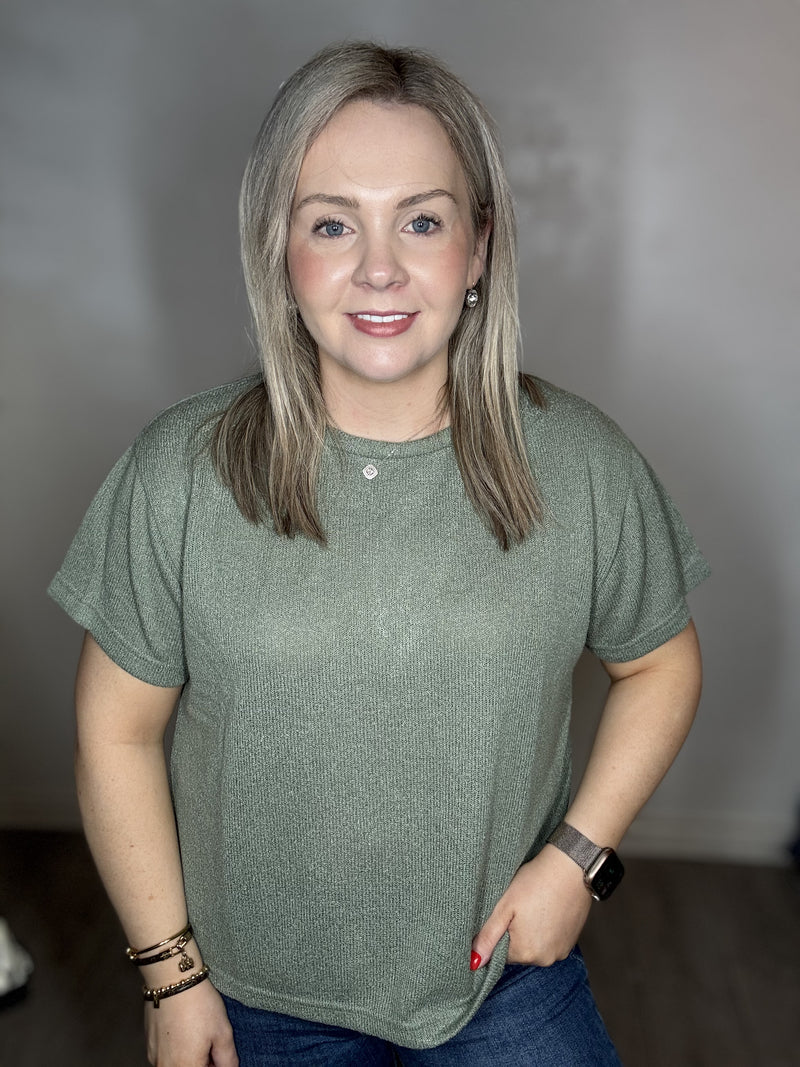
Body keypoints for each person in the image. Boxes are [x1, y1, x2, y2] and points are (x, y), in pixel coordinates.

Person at [48, 41, 709, 1067]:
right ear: (278, 249)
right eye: (331, 223)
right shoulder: (178, 471)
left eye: (421, 220)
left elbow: (660, 664)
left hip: (499, 982)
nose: (379, 268)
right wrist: (172, 975)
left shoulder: (582, 464)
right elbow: (115, 732)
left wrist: (577, 861)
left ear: (478, 246)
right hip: (252, 1000)